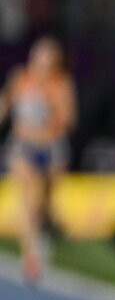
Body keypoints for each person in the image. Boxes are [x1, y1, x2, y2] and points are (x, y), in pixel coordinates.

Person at [0, 36, 76, 284]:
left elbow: (68, 119)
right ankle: (29, 255)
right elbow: (5, 103)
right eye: (39, 54)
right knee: (29, 195)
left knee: (45, 204)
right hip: (23, 145)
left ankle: (45, 232)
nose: (42, 61)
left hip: (50, 147)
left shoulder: (61, 84)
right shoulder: (21, 77)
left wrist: (50, 122)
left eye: (48, 57)